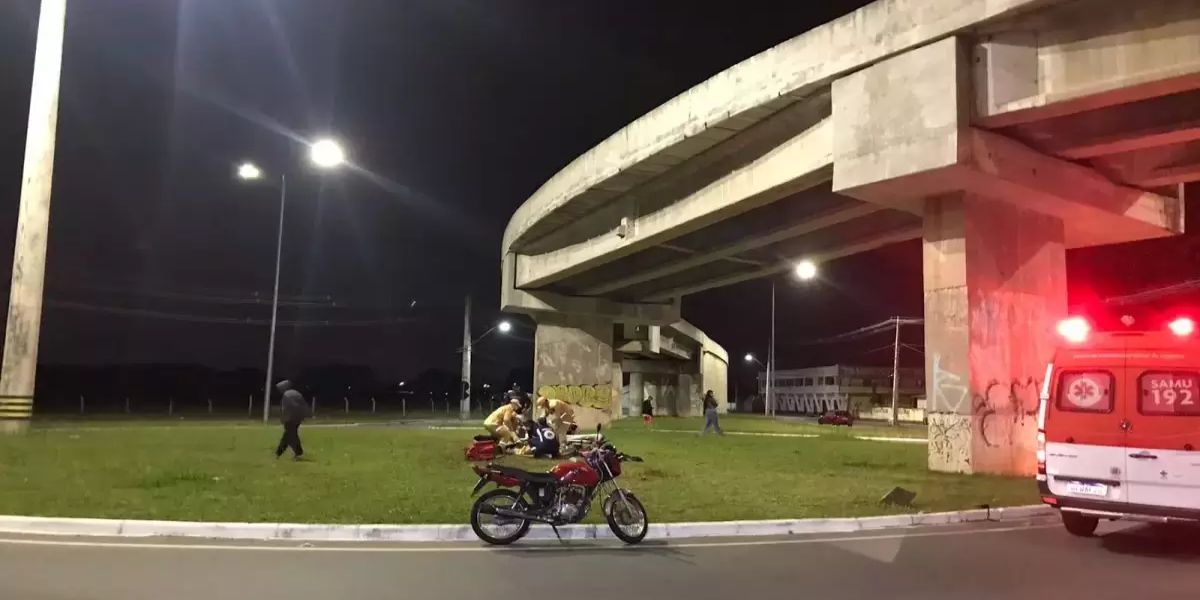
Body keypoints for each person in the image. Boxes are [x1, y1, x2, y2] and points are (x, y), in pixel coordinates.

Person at [275, 380, 311, 459]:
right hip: (298, 417)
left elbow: (285, 408)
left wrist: (283, 418)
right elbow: (304, 405)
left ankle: (279, 453)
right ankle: (297, 452)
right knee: (292, 435)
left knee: (288, 435)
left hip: (291, 418)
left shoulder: (286, 395)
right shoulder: (296, 393)